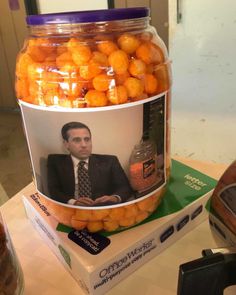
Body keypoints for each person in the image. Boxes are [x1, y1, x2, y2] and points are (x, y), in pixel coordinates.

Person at [47, 121, 131, 206]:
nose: (84, 145)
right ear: (66, 144)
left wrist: (114, 198)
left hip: (103, 210)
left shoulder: (110, 161)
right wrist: (73, 202)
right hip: (72, 211)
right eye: (77, 140)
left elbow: (125, 188)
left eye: (87, 139)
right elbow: (54, 191)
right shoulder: (55, 162)